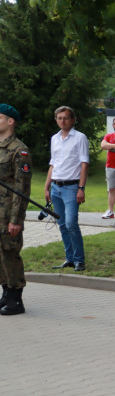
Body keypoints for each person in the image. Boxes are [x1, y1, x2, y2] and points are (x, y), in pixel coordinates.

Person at [44, 106, 89, 272]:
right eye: (59, 118)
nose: (62, 121)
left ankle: (79, 259)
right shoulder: (54, 138)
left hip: (72, 186)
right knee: (61, 224)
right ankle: (69, 258)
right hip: (56, 185)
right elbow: (53, 163)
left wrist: (81, 188)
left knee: (71, 223)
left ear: (73, 120)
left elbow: (84, 164)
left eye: (66, 118)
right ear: (56, 120)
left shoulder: (80, 138)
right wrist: (47, 186)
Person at [0, 104, 31, 316]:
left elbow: (22, 188)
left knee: (10, 252)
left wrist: (16, 220)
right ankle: (5, 292)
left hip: (9, 211)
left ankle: (16, 298)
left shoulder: (20, 150)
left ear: (10, 121)